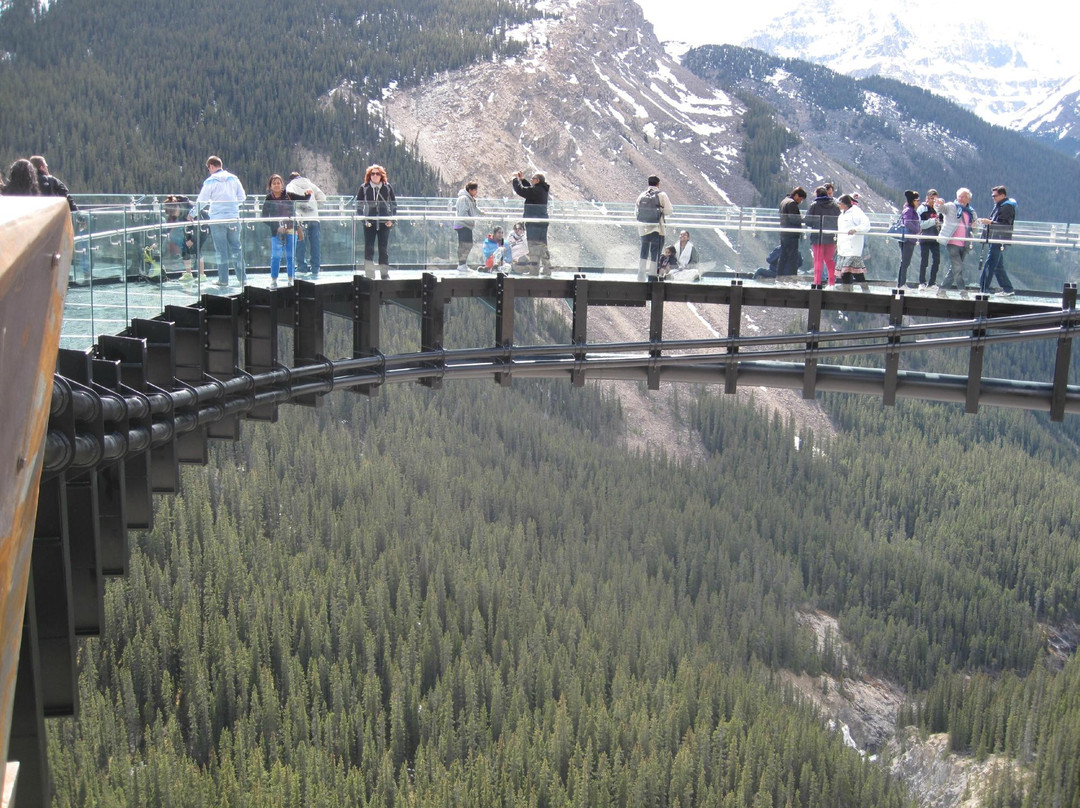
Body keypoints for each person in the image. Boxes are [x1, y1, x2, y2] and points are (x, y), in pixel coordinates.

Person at [191, 155, 246, 287]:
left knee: (221, 250)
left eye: (208, 168)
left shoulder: (210, 181)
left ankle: (223, 280)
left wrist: (192, 213)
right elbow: (242, 197)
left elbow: (202, 201)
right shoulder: (234, 178)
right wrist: (232, 206)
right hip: (233, 218)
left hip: (217, 219)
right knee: (236, 249)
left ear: (211, 166)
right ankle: (242, 279)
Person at [356, 164, 397, 279]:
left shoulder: (387, 187)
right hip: (369, 222)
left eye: (377, 173)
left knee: (383, 248)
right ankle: (369, 275)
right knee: (369, 248)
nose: (375, 176)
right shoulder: (364, 188)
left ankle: (384, 274)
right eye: (372, 174)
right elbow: (358, 206)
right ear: (369, 176)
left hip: (384, 222)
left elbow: (394, 205)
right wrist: (364, 220)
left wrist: (392, 220)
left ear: (381, 175)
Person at [935, 187, 977, 298]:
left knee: (954, 268)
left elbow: (975, 229)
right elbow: (940, 209)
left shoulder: (971, 212)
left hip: (965, 244)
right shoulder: (951, 206)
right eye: (959, 196)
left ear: (969, 199)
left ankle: (942, 291)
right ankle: (963, 292)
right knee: (958, 267)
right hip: (952, 242)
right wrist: (938, 204)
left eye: (964, 197)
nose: (961, 199)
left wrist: (975, 226)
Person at [286, 171, 326, 279]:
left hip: (301, 218)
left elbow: (290, 198)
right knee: (315, 244)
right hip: (314, 217)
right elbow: (322, 197)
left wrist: (301, 206)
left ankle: (301, 268)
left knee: (301, 243)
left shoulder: (291, 185)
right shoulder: (311, 184)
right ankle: (315, 268)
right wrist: (313, 205)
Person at [977, 185, 1017, 297]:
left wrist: (989, 223)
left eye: (995, 195)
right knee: (998, 265)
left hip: (998, 238)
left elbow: (1005, 225)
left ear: (1002, 195)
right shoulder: (1001, 205)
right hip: (996, 237)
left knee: (990, 263)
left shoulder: (1006, 207)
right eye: (992, 196)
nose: (993, 198)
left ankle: (984, 289)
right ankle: (1008, 289)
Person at [635, 174, 674, 280]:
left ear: (648, 183)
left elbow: (636, 213)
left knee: (644, 253)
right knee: (654, 255)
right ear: (658, 184)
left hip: (643, 230)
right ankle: (652, 278)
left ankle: (640, 277)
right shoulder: (661, 195)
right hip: (658, 229)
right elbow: (669, 210)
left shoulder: (642, 195)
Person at [512, 170, 551, 275]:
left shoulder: (536, 191)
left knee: (533, 246)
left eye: (533, 179)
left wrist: (515, 180)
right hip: (541, 222)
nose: (531, 180)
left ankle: (534, 270)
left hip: (534, 223)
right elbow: (530, 190)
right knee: (543, 246)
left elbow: (522, 191)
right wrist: (523, 180)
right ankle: (547, 269)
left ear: (537, 180)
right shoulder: (542, 190)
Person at [262, 175, 296, 288]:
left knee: (291, 255)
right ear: (270, 186)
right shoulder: (268, 198)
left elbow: (301, 201)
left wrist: (308, 194)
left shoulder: (289, 196)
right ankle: (274, 280)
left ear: (282, 184)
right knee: (276, 256)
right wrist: (276, 227)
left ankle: (291, 279)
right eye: (274, 183)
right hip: (276, 231)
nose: (277, 185)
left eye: (278, 183)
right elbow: (264, 216)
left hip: (291, 229)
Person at [804, 185, 840, 286]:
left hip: (817, 237)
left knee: (818, 260)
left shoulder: (814, 205)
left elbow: (808, 221)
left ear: (817, 194)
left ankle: (817, 282)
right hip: (831, 237)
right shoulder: (834, 205)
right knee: (829, 260)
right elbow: (839, 221)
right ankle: (831, 283)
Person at [836, 193, 871, 290]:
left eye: (839, 203)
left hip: (853, 247)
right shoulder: (842, 214)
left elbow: (866, 224)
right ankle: (849, 290)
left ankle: (863, 290)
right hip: (843, 247)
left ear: (845, 204)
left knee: (852, 271)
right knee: (848, 271)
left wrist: (856, 229)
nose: (838, 205)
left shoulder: (855, 212)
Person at [778, 186, 807, 282]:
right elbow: (794, 219)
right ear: (796, 195)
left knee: (783, 256)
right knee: (792, 258)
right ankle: (792, 280)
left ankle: (780, 277)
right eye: (801, 198)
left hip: (784, 233)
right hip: (791, 235)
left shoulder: (784, 201)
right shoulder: (792, 204)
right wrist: (803, 219)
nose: (801, 201)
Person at [454, 181, 484, 270]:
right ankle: (461, 264)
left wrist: (481, 212)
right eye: (475, 190)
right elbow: (463, 214)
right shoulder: (464, 198)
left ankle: (463, 264)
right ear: (470, 190)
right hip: (463, 225)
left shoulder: (470, 199)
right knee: (465, 245)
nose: (476, 192)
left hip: (467, 225)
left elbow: (473, 208)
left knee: (467, 244)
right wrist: (471, 221)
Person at [896, 190, 922, 288]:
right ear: (912, 201)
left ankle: (902, 283)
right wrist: (917, 229)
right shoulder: (909, 210)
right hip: (907, 239)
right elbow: (907, 222)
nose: (918, 202)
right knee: (905, 261)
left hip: (908, 238)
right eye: (917, 200)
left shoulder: (908, 209)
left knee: (905, 261)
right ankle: (901, 284)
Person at [917, 189, 942, 289]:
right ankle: (922, 282)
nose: (933, 201)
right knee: (924, 261)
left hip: (935, 238)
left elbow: (941, 222)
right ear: (927, 198)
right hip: (925, 238)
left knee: (936, 260)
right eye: (931, 198)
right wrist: (933, 221)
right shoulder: (922, 209)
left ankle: (932, 282)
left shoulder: (938, 210)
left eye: (935, 199)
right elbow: (921, 225)